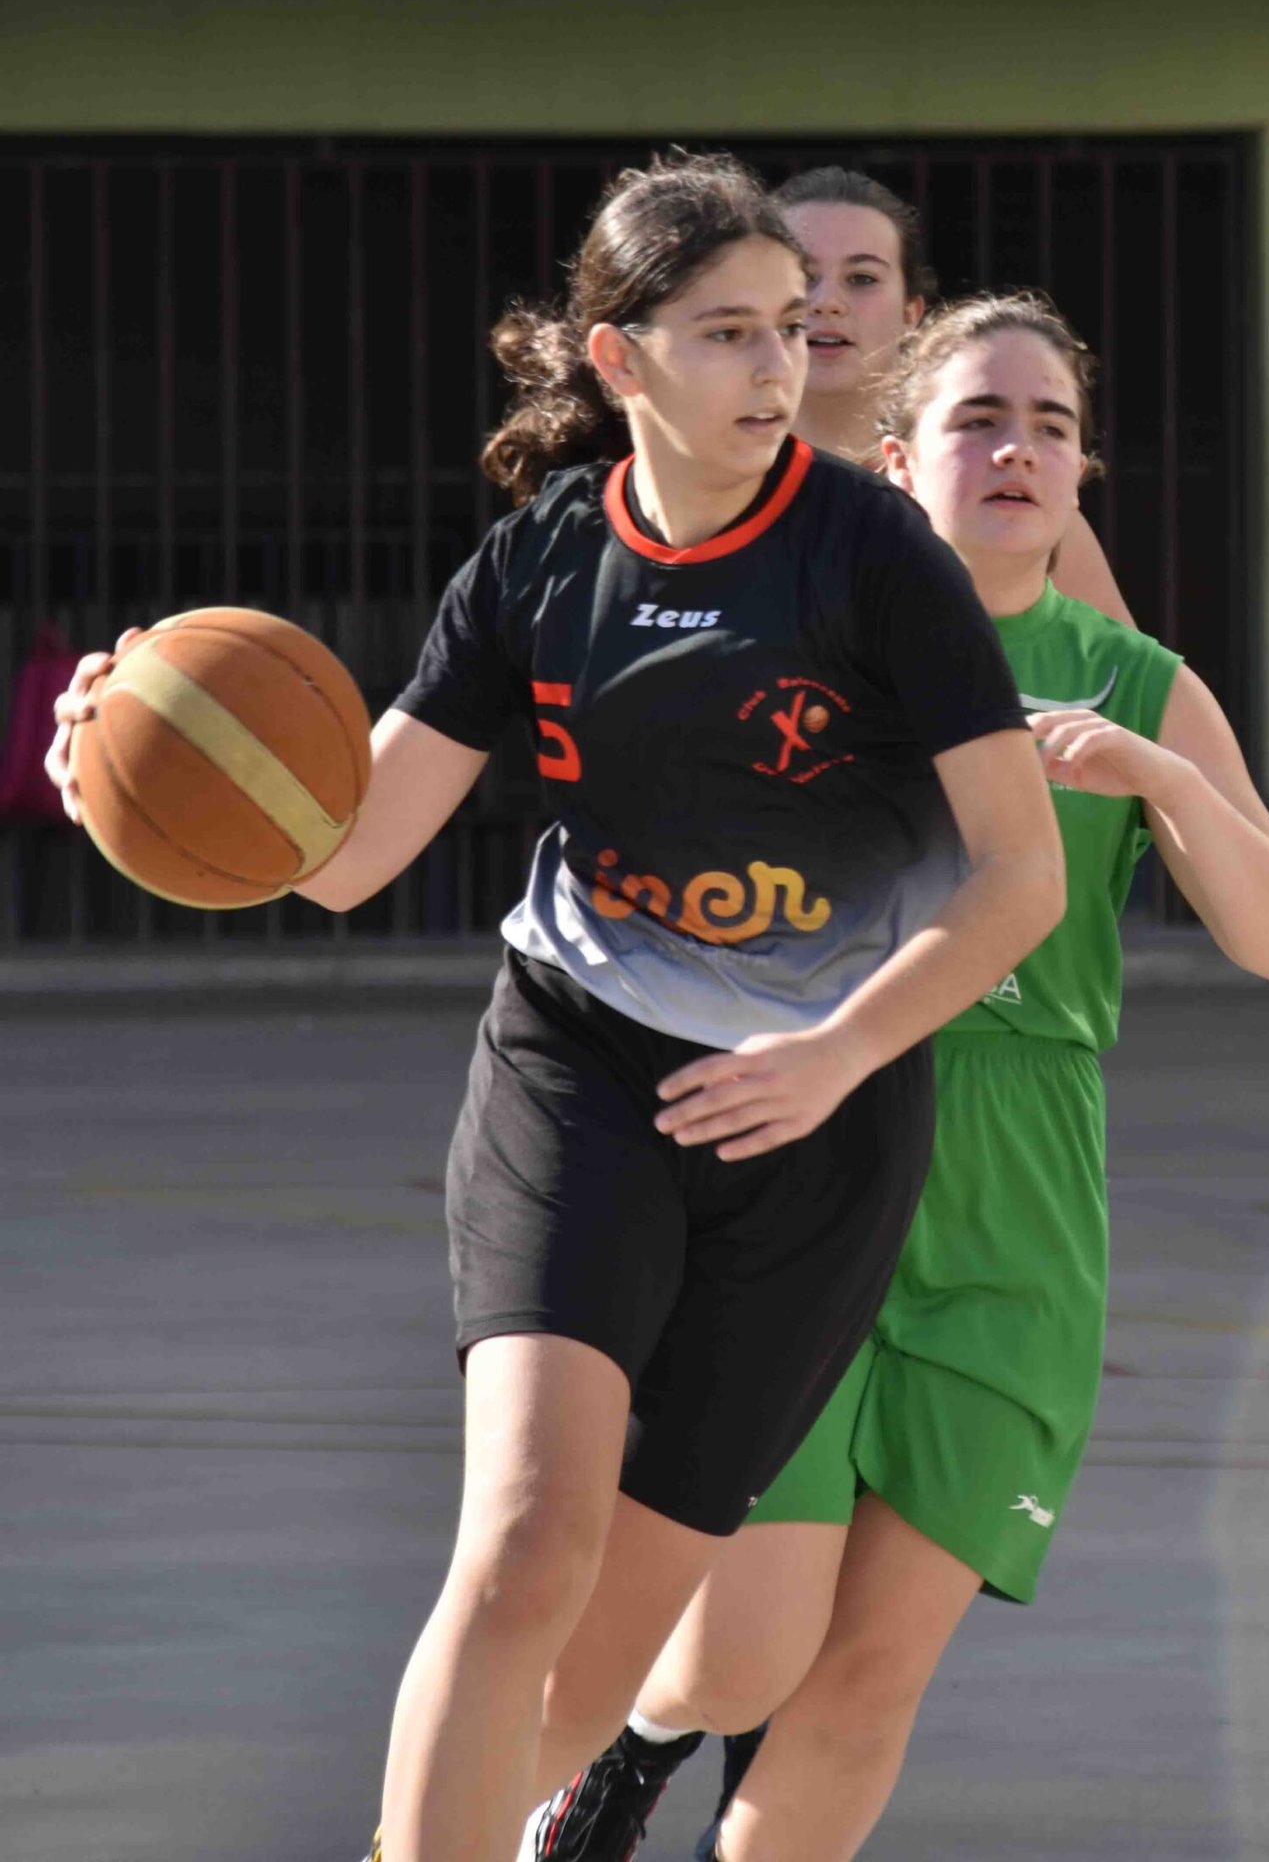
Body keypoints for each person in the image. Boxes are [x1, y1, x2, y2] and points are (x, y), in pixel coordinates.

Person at [44, 156, 1068, 1862]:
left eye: (793, 330)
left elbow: (1018, 877)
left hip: (819, 1123)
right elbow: (344, 854)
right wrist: (126, 756)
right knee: (523, 1538)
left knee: (594, 1676)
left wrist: (833, 1052)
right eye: (728, 331)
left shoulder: (870, 551)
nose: (775, 365)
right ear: (619, 358)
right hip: (581, 1060)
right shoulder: (532, 567)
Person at [525, 292, 1269, 1862]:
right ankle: (617, 1747)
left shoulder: (1137, 682)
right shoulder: (800, 648)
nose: (1018, 450)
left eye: (1052, 427)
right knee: (746, 1651)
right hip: (812, 1155)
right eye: (978, 419)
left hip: (1017, 1207)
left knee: (870, 1681)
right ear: (895, 462)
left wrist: (1159, 777)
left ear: (1084, 474)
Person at [774, 165, 1136, 625]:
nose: (826, 302)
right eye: (803, 276)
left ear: (912, 312)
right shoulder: (698, 485)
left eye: (862, 279)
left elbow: (1122, 683)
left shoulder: (1018, 500)